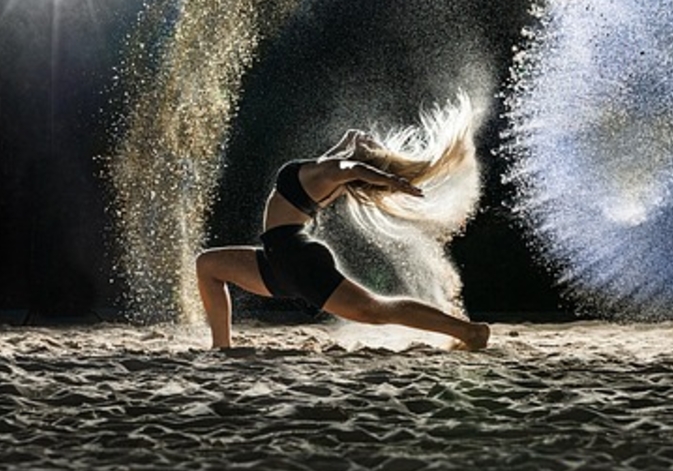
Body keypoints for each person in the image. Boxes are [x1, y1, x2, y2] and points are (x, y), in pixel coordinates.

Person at [195, 98, 490, 350]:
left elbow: (350, 167)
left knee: (373, 309)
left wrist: (389, 179)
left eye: (372, 146)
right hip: (278, 259)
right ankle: (222, 347)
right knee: (208, 266)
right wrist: (350, 142)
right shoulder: (324, 171)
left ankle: (467, 332)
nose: (371, 139)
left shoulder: (335, 173)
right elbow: (339, 160)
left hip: (293, 257)